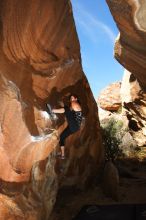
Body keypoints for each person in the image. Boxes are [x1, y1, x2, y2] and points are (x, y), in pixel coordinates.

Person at [52, 94, 82, 159]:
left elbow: (69, 109)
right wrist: (63, 105)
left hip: (74, 125)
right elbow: (70, 110)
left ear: (76, 99)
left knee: (66, 109)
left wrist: (65, 106)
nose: (71, 99)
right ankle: (62, 155)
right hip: (74, 127)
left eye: (73, 98)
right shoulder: (73, 105)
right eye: (71, 98)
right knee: (62, 137)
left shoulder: (75, 103)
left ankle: (52, 111)